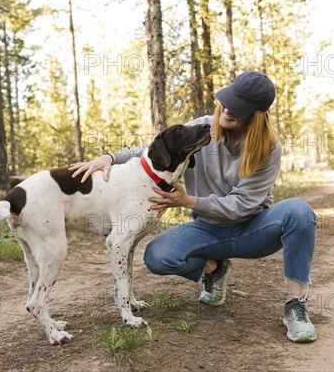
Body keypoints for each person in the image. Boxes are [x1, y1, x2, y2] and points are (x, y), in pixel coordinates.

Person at [69, 71, 317, 342]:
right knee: (157, 255)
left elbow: (242, 205)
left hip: (253, 230)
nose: (228, 109)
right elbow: (152, 146)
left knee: (299, 212)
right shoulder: (204, 128)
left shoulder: (268, 147)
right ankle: (215, 269)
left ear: (256, 116)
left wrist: (188, 201)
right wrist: (110, 157)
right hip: (207, 229)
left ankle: (296, 305)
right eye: (228, 100)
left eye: (240, 108)